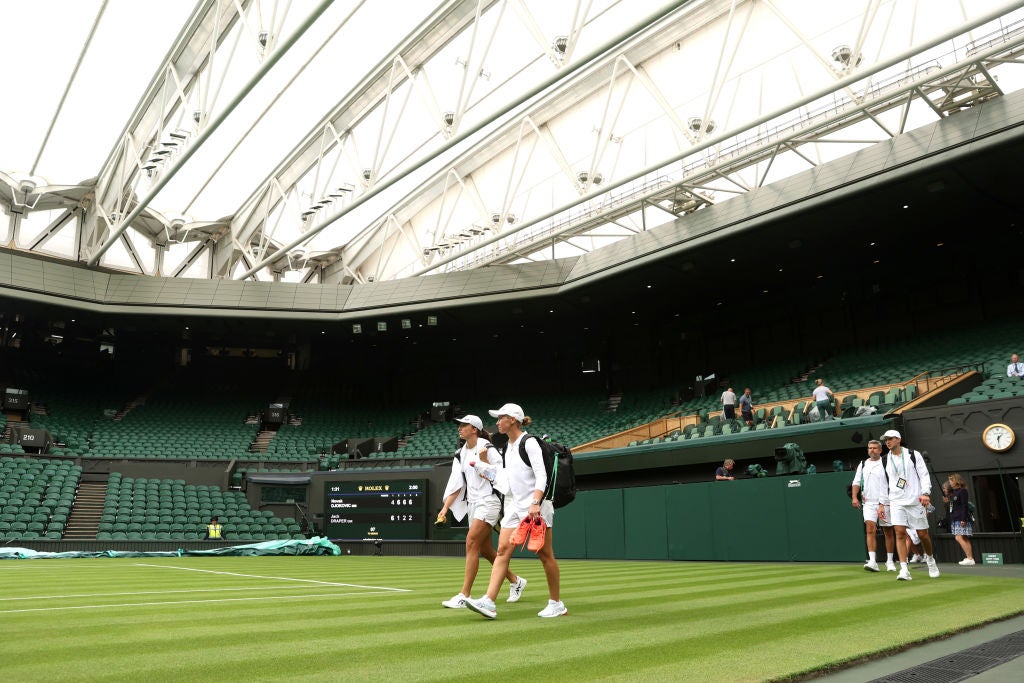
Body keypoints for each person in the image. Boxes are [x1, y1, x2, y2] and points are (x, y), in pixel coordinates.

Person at [464, 403, 566, 619]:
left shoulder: (529, 443)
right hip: (514, 506)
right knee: (502, 551)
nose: (497, 422)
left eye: (501, 418)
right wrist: (485, 468)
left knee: (545, 555)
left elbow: (542, 476)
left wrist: (535, 503)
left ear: (513, 420)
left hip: (536, 506)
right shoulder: (506, 447)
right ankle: (489, 601)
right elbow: (508, 479)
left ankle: (557, 603)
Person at [437, 414, 527, 608]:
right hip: (473, 504)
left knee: (470, 542)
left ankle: (465, 595)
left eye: (464, 425)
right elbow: (456, 484)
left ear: (474, 429)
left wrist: (484, 461)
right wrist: (445, 508)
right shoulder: (460, 454)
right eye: (459, 425)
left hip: (489, 502)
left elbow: (501, 477)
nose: (460, 428)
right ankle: (515, 580)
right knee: (485, 549)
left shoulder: (487, 448)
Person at [881, 429, 939, 580]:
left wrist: (925, 493)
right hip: (896, 501)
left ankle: (931, 561)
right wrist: (882, 503)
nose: (888, 441)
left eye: (891, 438)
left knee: (923, 535)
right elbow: (884, 483)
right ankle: (904, 569)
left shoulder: (913, 455)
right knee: (900, 533)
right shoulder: (885, 459)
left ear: (898, 439)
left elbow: (924, 475)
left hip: (915, 501)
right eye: (886, 439)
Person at [850, 440, 896, 572]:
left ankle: (890, 561)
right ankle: (872, 561)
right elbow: (856, 481)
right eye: (870, 448)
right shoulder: (863, 464)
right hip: (868, 502)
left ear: (880, 450)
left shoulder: (886, 462)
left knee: (888, 531)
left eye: (875, 448)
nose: (872, 450)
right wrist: (854, 497)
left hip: (885, 502)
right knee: (870, 529)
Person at [946, 472, 976, 566]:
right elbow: (953, 505)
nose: (950, 482)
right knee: (964, 538)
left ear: (956, 481)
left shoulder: (962, 491)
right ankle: (970, 558)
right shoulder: (954, 493)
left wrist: (963, 519)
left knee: (958, 537)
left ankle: (969, 558)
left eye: (951, 480)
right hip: (955, 518)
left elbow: (964, 506)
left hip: (961, 518)